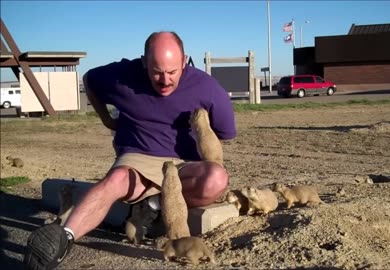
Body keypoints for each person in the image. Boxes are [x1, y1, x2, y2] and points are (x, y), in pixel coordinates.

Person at [23, 31, 237, 270]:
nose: (165, 80)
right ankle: (63, 238)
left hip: (184, 165)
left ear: (184, 60)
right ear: (144, 62)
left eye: (173, 72)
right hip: (139, 158)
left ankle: (153, 203)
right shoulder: (122, 76)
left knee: (216, 178)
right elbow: (90, 80)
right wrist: (107, 120)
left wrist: (200, 135)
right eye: (157, 72)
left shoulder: (206, 87)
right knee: (116, 179)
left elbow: (224, 134)